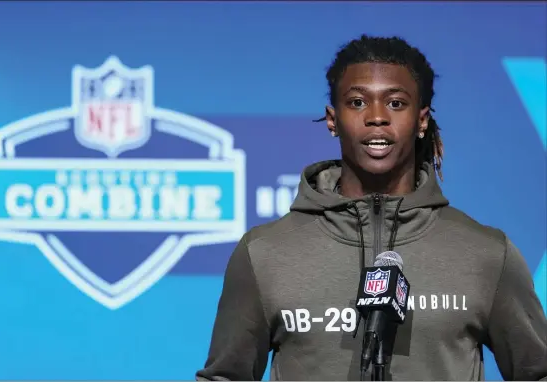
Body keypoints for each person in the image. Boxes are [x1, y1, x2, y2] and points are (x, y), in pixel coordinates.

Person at [196, 35, 547, 381]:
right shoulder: (264, 254)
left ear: (421, 120)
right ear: (332, 120)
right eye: (358, 102)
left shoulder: (486, 254)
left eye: (395, 103)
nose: (377, 117)